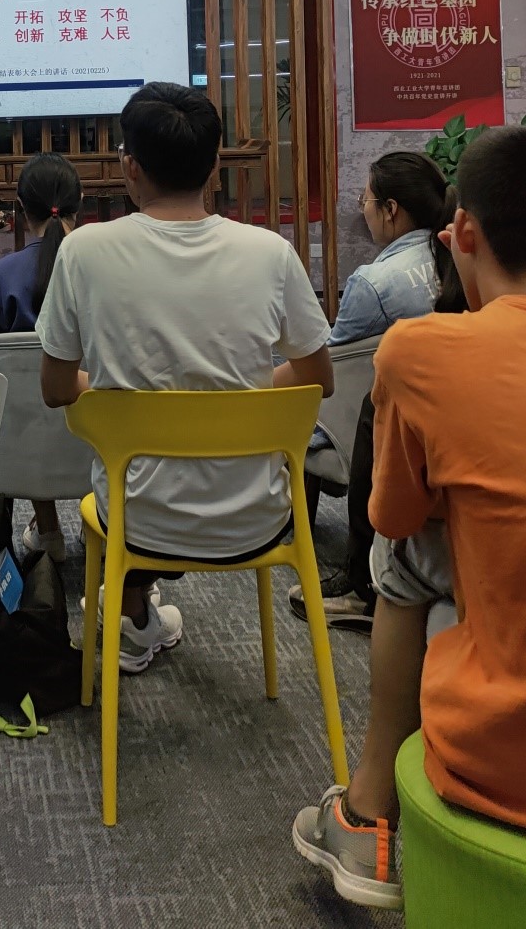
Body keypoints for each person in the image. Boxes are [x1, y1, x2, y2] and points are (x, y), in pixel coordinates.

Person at [294, 125, 526, 910]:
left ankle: (366, 813)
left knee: (403, 552)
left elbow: (392, 514)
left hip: (508, 773)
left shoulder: (418, 352)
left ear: (462, 232)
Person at [36, 82, 333, 673]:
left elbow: (55, 390)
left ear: (130, 167)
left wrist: (127, 398)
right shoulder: (271, 253)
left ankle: (131, 614)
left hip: (139, 518)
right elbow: (317, 379)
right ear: (215, 165)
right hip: (259, 517)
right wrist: (231, 399)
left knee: (131, 480)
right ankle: (136, 614)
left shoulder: (83, 251)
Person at [290, 152, 451, 634]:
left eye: (365, 199)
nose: (362, 208)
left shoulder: (374, 282)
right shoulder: (456, 263)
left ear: (391, 210)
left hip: (363, 430)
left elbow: (329, 364)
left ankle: (356, 582)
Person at [0, 150, 83, 563]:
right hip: (100, 448)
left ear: (20, 207)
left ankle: (48, 532)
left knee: (25, 402)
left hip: (23, 451)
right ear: (79, 203)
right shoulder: (108, 271)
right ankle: (99, 527)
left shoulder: (0, 276)